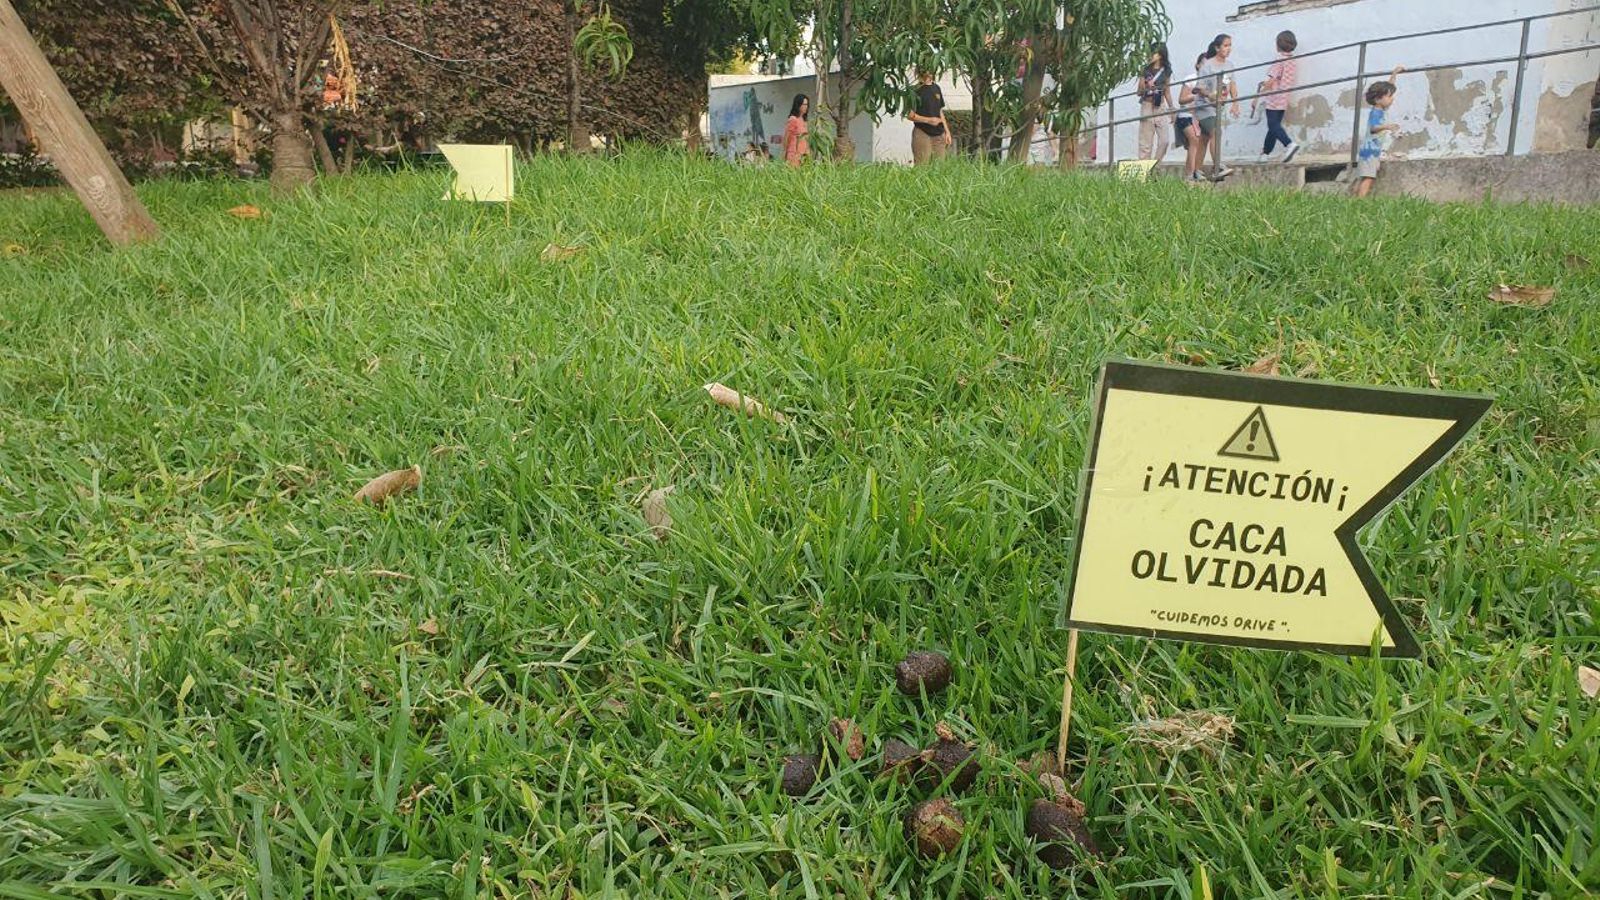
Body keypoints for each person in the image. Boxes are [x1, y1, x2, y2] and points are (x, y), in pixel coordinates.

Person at [1192, 34, 1239, 180]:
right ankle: (1217, 167)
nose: (1228, 49)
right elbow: (1198, 87)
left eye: (1230, 45)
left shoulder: (1230, 66)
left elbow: (1232, 84)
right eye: (1225, 46)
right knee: (1215, 132)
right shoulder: (1208, 65)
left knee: (1205, 139)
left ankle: (1197, 171)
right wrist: (1210, 95)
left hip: (1218, 107)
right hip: (1204, 107)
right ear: (1217, 48)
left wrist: (1235, 103)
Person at [1354, 66, 1405, 198]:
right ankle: (1359, 201)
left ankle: (1355, 197)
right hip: (1370, 152)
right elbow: (1373, 128)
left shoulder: (1381, 108)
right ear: (1378, 99)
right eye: (1389, 97)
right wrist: (1387, 126)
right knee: (1369, 178)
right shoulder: (1376, 112)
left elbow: (1389, 87)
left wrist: (1394, 74)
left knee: (1366, 176)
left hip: (1372, 151)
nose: (1392, 99)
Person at [1258, 31, 1300, 163]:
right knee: (1273, 126)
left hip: (1274, 97)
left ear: (1278, 44)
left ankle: (1289, 144)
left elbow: (1271, 79)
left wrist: (1262, 89)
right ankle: (1265, 153)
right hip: (1284, 97)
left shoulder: (1279, 60)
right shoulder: (1291, 60)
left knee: (1272, 124)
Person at [1137, 43, 1175, 161]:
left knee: (1164, 141)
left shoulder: (1166, 71)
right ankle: (1144, 172)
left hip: (1160, 105)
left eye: (1154, 53)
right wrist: (1145, 85)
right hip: (1147, 104)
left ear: (1160, 55)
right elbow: (1139, 92)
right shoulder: (1145, 69)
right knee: (1146, 142)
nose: (1151, 55)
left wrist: (1172, 109)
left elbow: (1167, 91)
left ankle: (1155, 167)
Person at [907, 68, 952, 165]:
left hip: (939, 133)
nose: (929, 73)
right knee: (922, 166)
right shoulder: (914, 90)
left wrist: (947, 132)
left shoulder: (936, 88)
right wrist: (928, 120)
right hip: (922, 133)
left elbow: (940, 111)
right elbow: (910, 115)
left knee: (940, 168)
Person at [1177, 54, 1207, 183]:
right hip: (1186, 116)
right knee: (1194, 141)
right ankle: (1190, 174)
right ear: (1198, 65)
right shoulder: (1191, 79)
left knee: (1199, 143)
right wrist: (1195, 96)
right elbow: (1181, 100)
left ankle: (1195, 170)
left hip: (1200, 117)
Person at [783, 94, 810, 167]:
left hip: (804, 155)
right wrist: (785, 153)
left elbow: (806, 139)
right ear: (798, 105)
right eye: (803, 104)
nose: (805, 107)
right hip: (794, 154)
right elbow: (786, 138)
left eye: (807, 105)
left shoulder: (804, 121)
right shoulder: (793, 119)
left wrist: (808, 153)